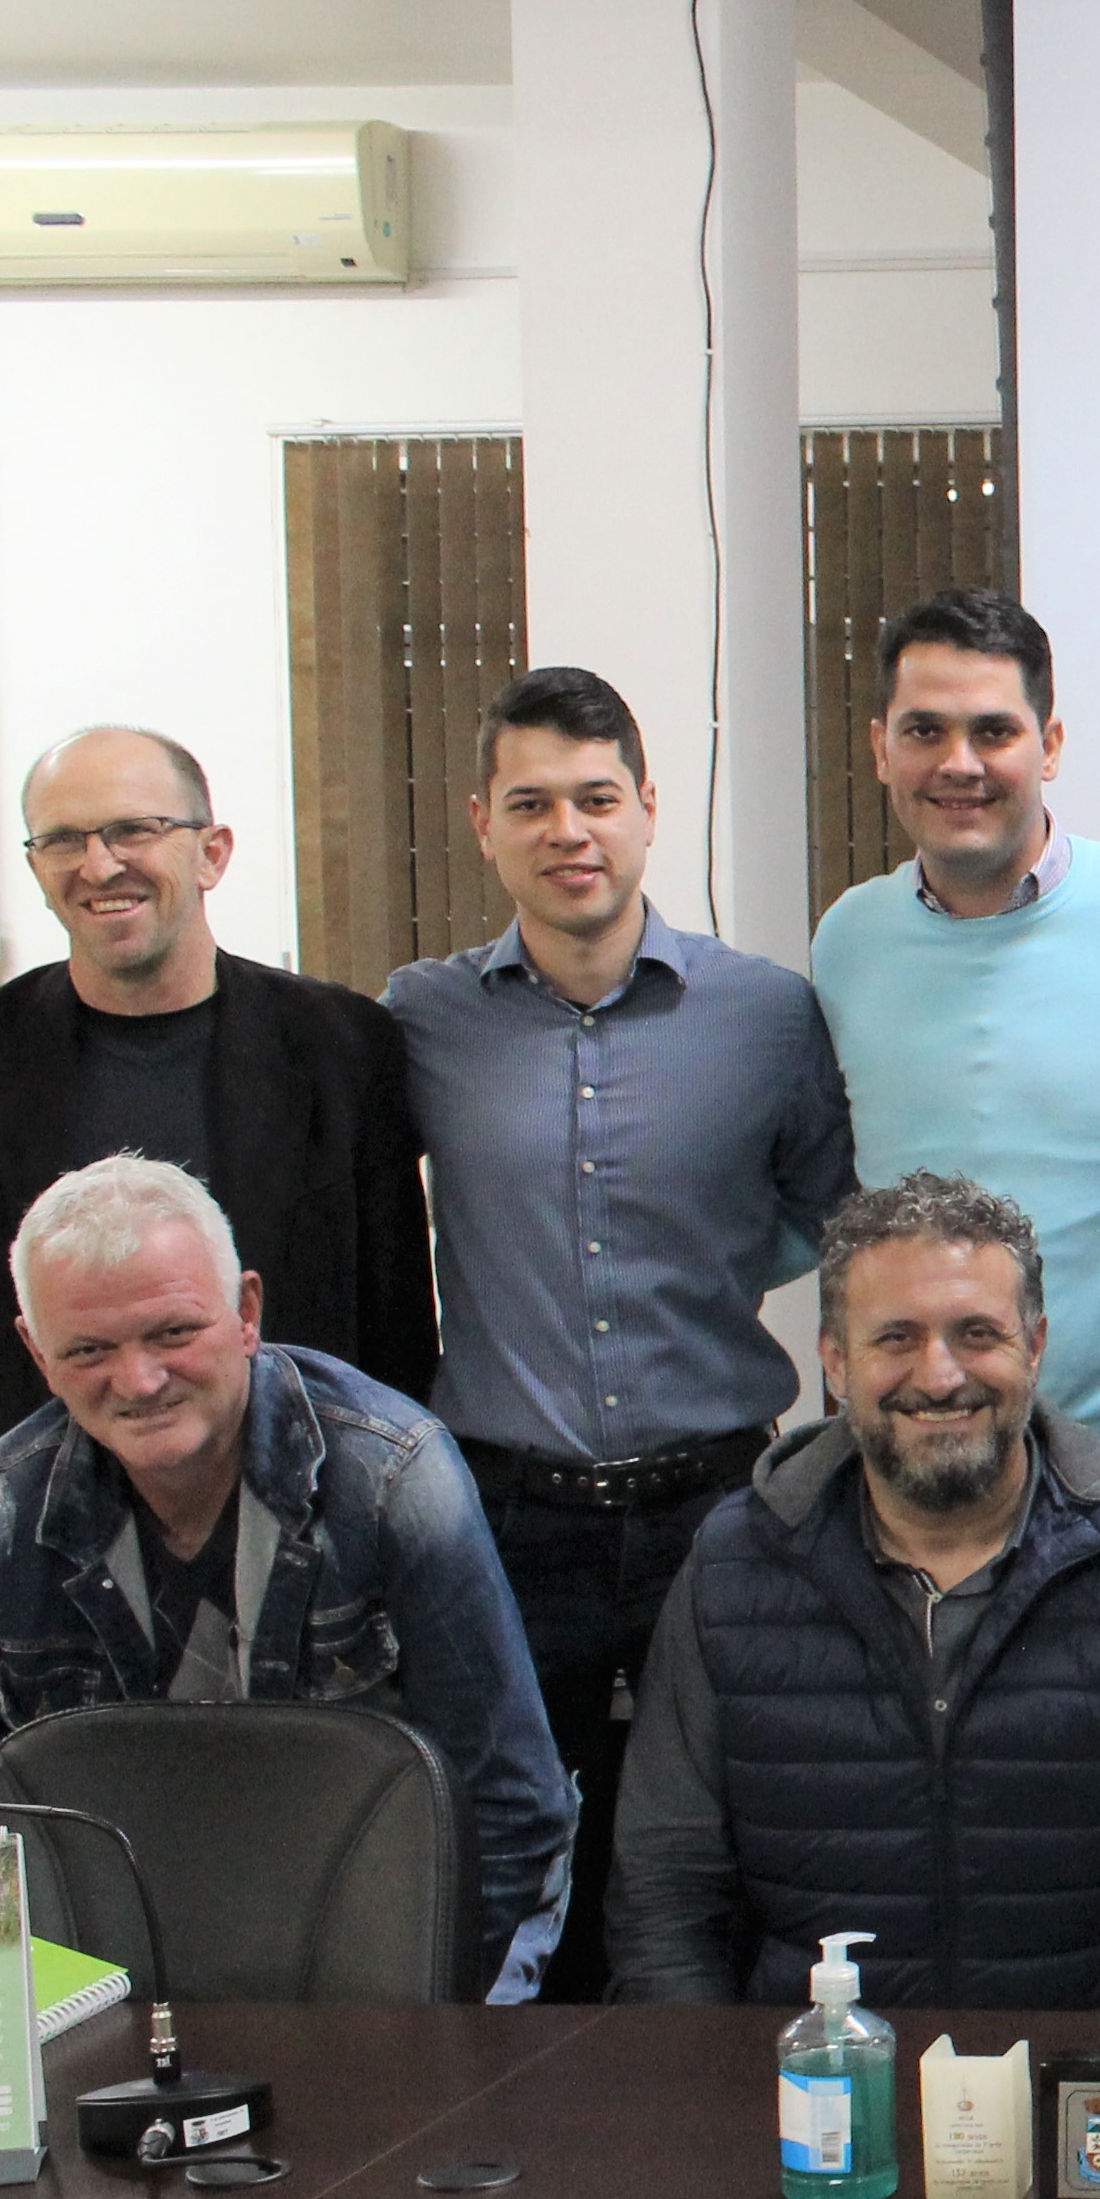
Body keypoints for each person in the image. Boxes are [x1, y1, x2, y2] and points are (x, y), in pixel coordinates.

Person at [0, 1155, 570, 2006]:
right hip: (126, 1981)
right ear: (35, 1352)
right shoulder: (1, 1515)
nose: (139, 1381)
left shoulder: (390, 1479)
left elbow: (511, 1808)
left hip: (381, 1969)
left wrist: (419, 2027)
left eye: (173, 1334)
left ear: (247, 1310)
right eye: (89, 1351)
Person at [388, 666, 856, 2003]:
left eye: (597, 798)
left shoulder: (766, 1015)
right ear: (482, 822)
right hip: (500, 1512)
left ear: (650, 808)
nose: (568, 830)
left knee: (714, 1834)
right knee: (515, 1837)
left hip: (716, 1499)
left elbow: (829, 1223)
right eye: (531, 803)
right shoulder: (420, 1022)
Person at [609, 1172, 1100, 2013]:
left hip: (1094, 2104)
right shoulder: (734, 1563)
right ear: (834, 1359)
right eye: (895, 1338)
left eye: (977, 1334)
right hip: (816, 2103)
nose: (939, 1377)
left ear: (1035, 1346)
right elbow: (662, 1901)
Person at [0, 723, 433, 1645]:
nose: (99, 864)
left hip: (309, 1563)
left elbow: (396, 1333)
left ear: (212, 852)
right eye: (64, 840)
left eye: (133, 830)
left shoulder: (342, 1047)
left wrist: (413, 1579)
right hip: (43, 1574)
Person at [805, 590, 1100, 1467]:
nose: (960, 763)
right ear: (881, 748)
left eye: (994, 731)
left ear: (1052, 744)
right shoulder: (848, 940)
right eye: (925, 732)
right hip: (921, 1455)